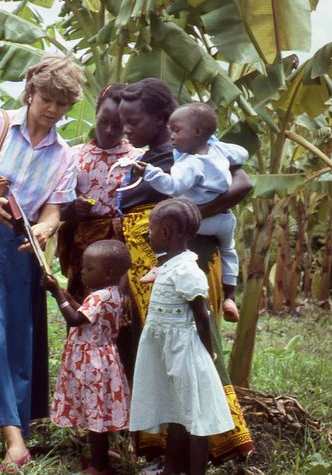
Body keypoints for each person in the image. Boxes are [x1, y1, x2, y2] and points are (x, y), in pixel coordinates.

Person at [115, 78, 255, 463]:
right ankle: (163, 451)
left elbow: (243, 183)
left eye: (134, 121)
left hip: (185, 256)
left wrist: (186, 221)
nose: (127, 130)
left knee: (192, 349)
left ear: (163, 119)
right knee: (158, 354)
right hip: (151, 263)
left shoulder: (191, 152)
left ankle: (210, 444)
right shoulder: (149, 155)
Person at [0, 54, 82, 467]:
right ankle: (15, 440)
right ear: (31, 92)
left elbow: (55, 209)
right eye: (47, 98)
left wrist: (46, 228)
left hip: (23, 248)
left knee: (13, 342)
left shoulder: (65, 154)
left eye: (62, 104)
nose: (52, 109)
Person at [129, 199, 234, 475]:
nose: (148, 236)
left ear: (164, 232)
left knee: (195, 416)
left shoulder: (187, 270)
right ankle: (171, 470)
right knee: (177, 412)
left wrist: (208, 353)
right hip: (165, 349)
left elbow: (202, 316)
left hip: (185, 352)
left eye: (150, 231)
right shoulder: (168, 266)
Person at [134, 102, 249, 321]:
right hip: (224, 220)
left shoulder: (190, 164)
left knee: (160, 222)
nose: (171, 137)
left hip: (199, 221)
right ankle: (230, 296)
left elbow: (173, 186)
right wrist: (217, 144)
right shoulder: (219, 150)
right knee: (228, 250)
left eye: (176, 130)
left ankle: (161, 264)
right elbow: (242, 154)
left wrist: (149, 172)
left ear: (196, 132)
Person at [43, 239, 133, 475]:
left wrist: (55, 292)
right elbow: (83, 312)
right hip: (104, 360)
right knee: (99, 416)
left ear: (108, 273)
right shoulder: (113, 294)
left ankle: (100, 466)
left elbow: (74, 319)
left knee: (96, 420)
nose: (82, 272)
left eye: (89, 268)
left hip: (91, 364)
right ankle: (101, 462)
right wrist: (64, 296)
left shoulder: (98, 297)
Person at [58, 83, 141, 304]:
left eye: (118, 125)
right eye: (103, 121)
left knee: (119, 309)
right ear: (95, 114)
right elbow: (56, 208)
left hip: (123, 249)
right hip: (84, 248)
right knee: (81, 305)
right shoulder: (73, 156)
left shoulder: (139, 158)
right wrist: (73, 208)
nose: (109, 131)